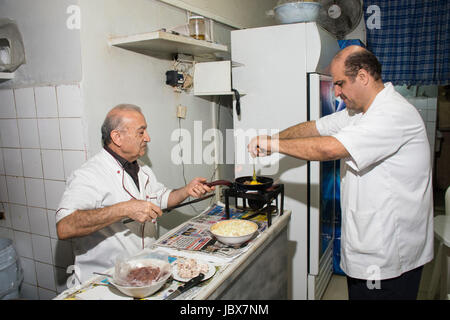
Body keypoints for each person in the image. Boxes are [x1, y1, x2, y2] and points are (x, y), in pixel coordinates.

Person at [248, 46, 433, 300]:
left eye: (340, 83)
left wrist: (274, 145)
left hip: (390, 257)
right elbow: (315, 128)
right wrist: (271, 138)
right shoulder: (359, 113)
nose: (336, 92)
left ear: (363, 76)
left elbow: (330, 148)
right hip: (368, 246)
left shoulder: (393, 114)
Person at [56, 104, 214, 283]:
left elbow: (159, 198)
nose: (148, 138)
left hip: (143, 273)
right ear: (117, 137)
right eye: (141, 132)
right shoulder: (89, 174)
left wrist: (186, 190)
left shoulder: (142, 169)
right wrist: (124, 209)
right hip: (104, 281)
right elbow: (65, 226)